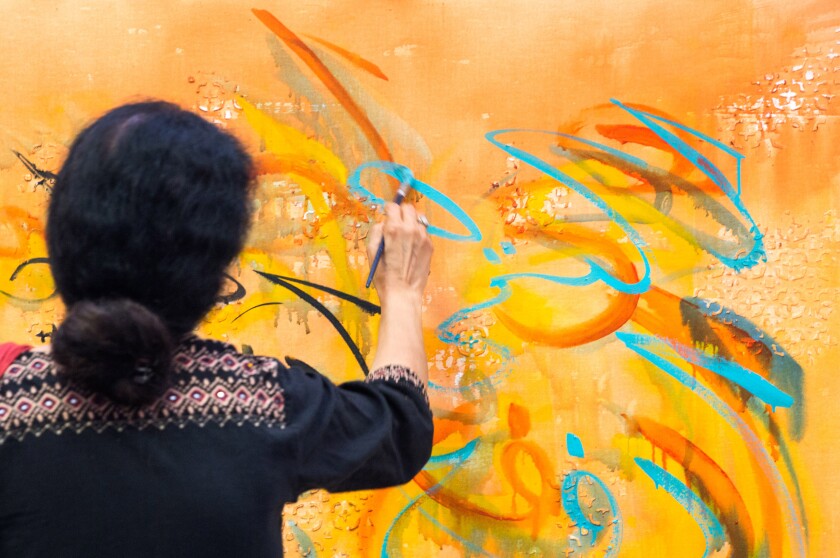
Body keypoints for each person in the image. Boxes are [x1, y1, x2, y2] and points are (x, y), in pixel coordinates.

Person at [0, 101, 434, 557]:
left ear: (59, 240)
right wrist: (402, 291)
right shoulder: (264, 403)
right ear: (215, 272)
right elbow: (400, 424)